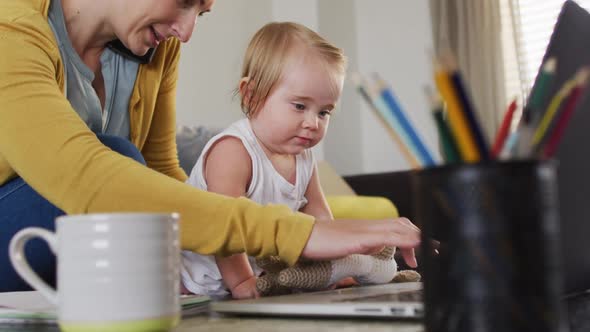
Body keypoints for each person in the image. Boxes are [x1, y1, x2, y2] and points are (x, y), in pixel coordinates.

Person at [0, 0, 420, 292]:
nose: (186, 31)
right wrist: (296, 235)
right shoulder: (11, 29)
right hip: (22, 230)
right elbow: (86, 178)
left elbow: (166, 174)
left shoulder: (155, 48)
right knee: (119, 156)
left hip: (71, 245)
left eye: (201, 12)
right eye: (184, 2)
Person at [181, 22, 353, 298]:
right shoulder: (233, 151)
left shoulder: (304, 158)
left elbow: (320, 217)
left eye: (324, 112)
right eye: (300, 106)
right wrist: (241, 283)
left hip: (255, 281)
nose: (312, 122)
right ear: (252, 96)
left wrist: (334, 268)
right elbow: (226, 228)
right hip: (193, 283)